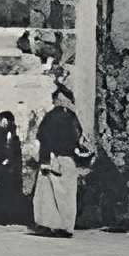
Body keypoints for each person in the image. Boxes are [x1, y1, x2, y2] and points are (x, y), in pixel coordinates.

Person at [31, 83, 89, 237]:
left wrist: (44, 159)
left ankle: (49, 225)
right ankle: (63, 226)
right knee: (63, 194)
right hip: (65, 159)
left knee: (49, 193)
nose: (62, 102)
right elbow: (79, 140)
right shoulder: (72, 118)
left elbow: (44, 138)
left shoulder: (55, 117)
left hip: (55, 159)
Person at [0, 108, 26, 223]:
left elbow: (16, 155)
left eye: (7, 121)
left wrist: (8, 161)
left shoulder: (14, 137)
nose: (4, 123)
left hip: (10, 169)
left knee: (10, 191)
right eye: (2, 120)